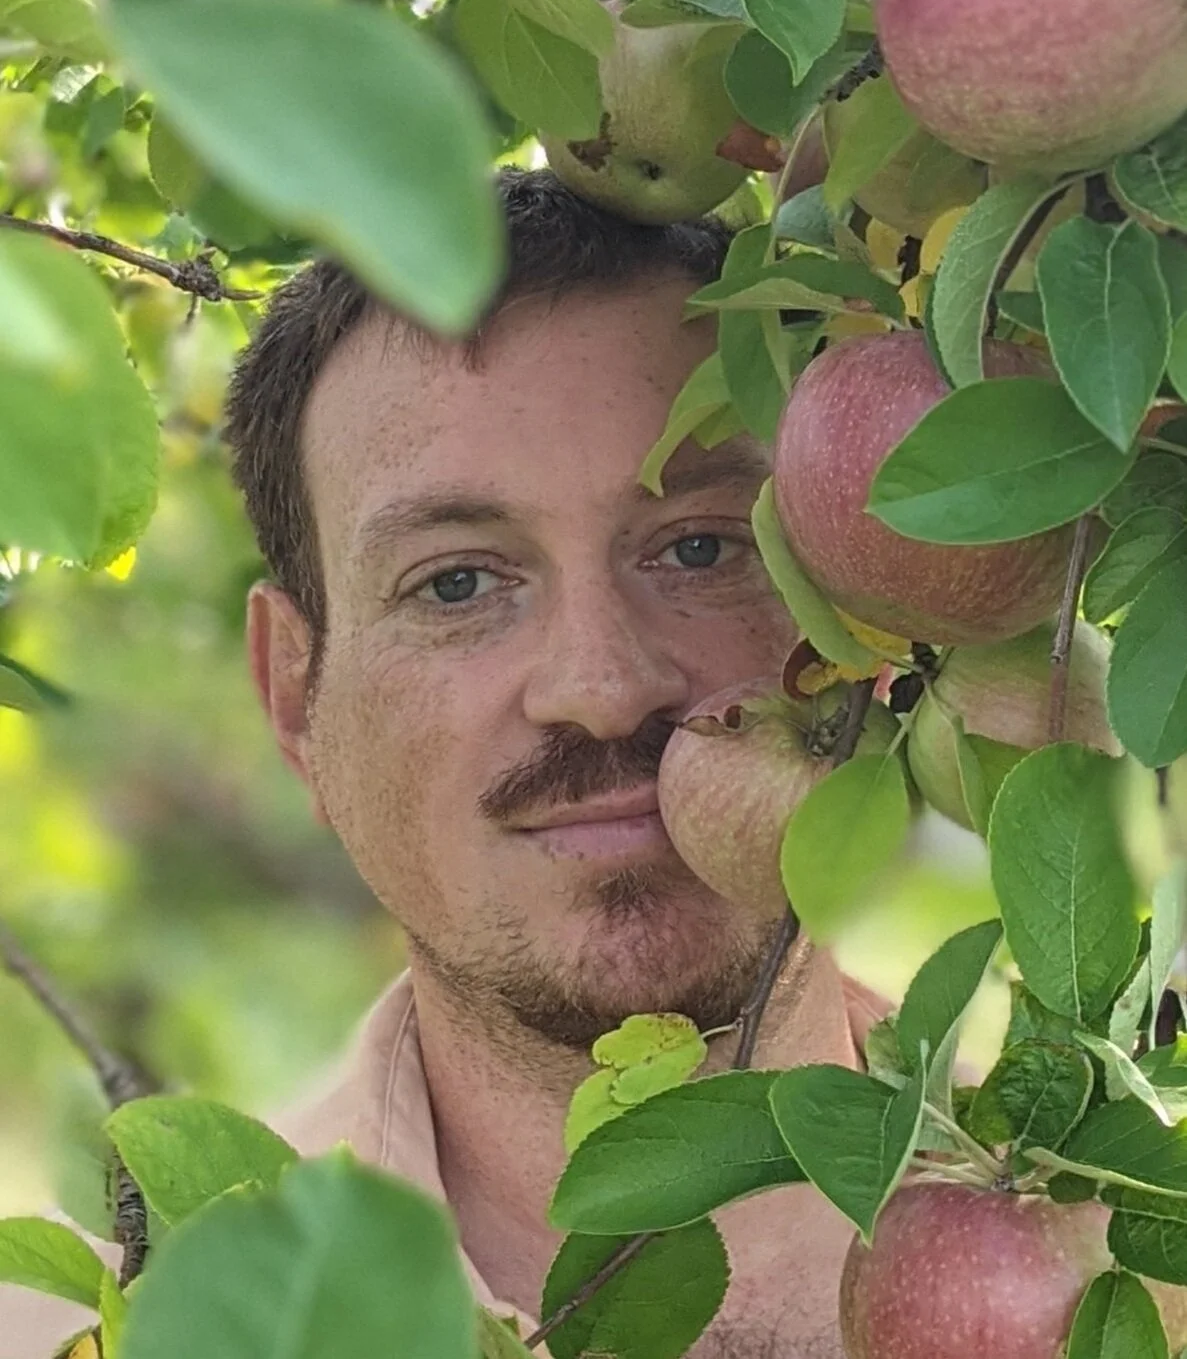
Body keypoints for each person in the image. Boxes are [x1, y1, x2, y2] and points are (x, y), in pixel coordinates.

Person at [1, 170, 887, 1359]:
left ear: (870, 621)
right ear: (295, 698)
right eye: (458, 581)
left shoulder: (1122, 1240)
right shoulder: (80, 1336)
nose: (600, 686)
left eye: (697, 547)